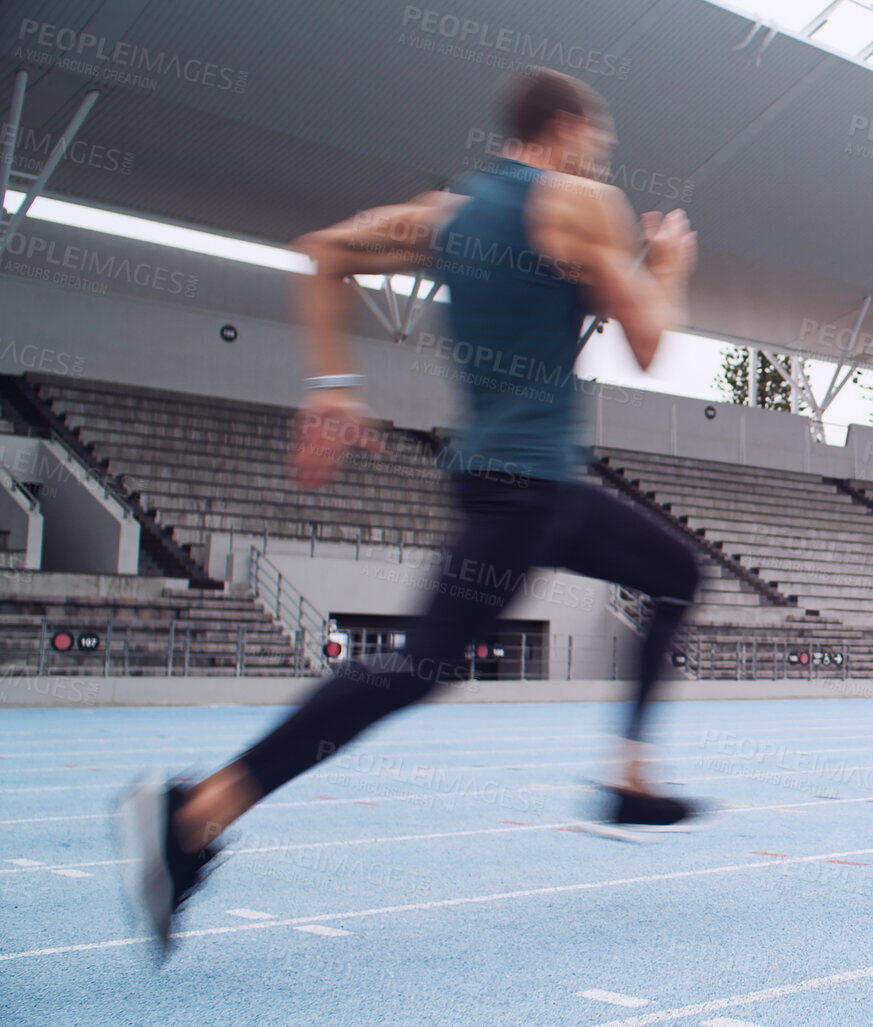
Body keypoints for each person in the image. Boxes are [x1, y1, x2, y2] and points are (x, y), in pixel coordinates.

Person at [118, 66, 703, 955]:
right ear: (567, 127)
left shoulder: (448, 214)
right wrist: (662, 266)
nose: (600, 157)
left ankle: (628, 770)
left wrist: (332, 388)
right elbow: (651, 340)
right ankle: (197, 810)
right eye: (598, 143)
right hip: (528, 487)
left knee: (676, 570)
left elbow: (323, 253)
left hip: (514, 482)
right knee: (419, 665)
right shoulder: (584, 201)